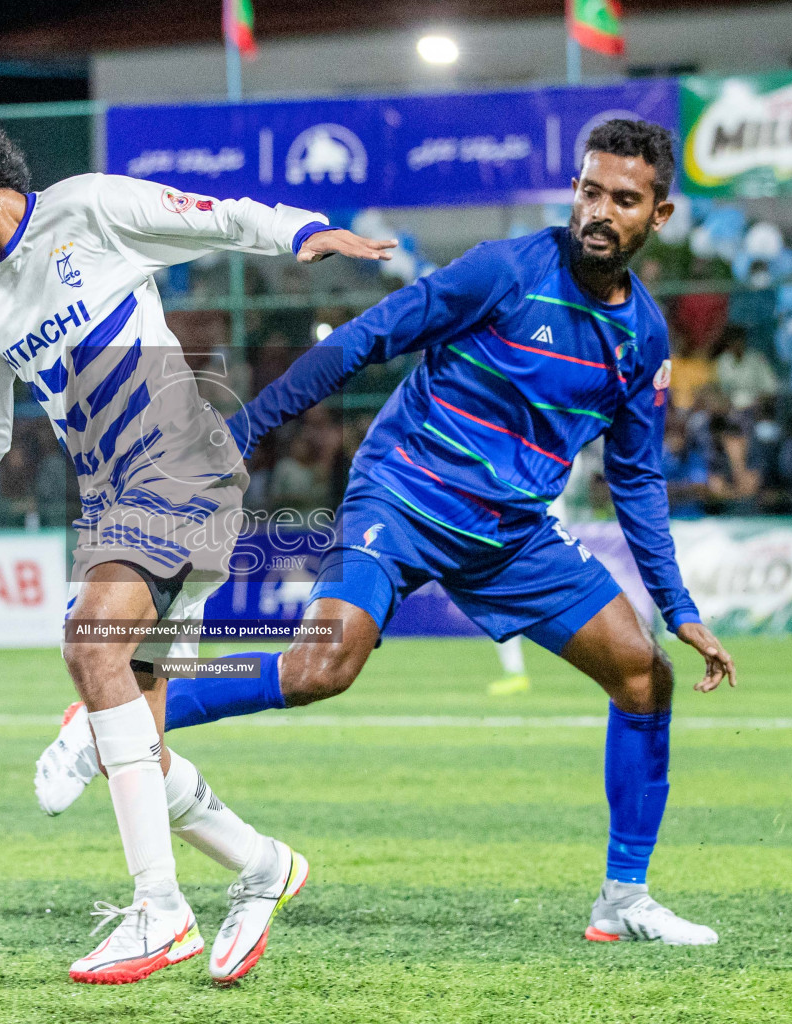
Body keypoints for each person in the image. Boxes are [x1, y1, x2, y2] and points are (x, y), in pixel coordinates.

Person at [37, 120, 736, 947]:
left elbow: (638, 475)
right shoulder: (507, 271)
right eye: (589, 190)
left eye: (623, 199)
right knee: (319, 670)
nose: (599, 210)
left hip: (511, 535)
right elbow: (372, 338)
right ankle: (107, 723)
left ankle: (624, 898)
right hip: (400, 499)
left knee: (644, 675)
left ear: (657, 215)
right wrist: (250, 426)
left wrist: (678, 605)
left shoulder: (642, 336)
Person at [0, 75, 394, 987]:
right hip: (117, 499)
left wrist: (298, 230)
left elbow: (212, 215)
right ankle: (260, 863)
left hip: (181, 467)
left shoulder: (87, 210)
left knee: (90, 648)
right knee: (134, 728)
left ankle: (161, 914)